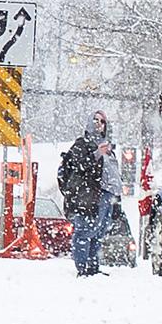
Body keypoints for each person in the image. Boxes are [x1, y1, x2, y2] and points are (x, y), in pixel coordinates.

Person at [58, 117, 118, 277]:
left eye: (102, 121)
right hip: (87, 197)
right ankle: (82, 268)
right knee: (84, 231)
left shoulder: (109, 148)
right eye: (95, 119)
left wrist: (116, 201)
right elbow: (80, 166)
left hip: (106, 195)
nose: (98, 123)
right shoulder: (81, 145)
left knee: (98, 233)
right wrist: (97, 153)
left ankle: (93, 267)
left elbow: (113, 176)